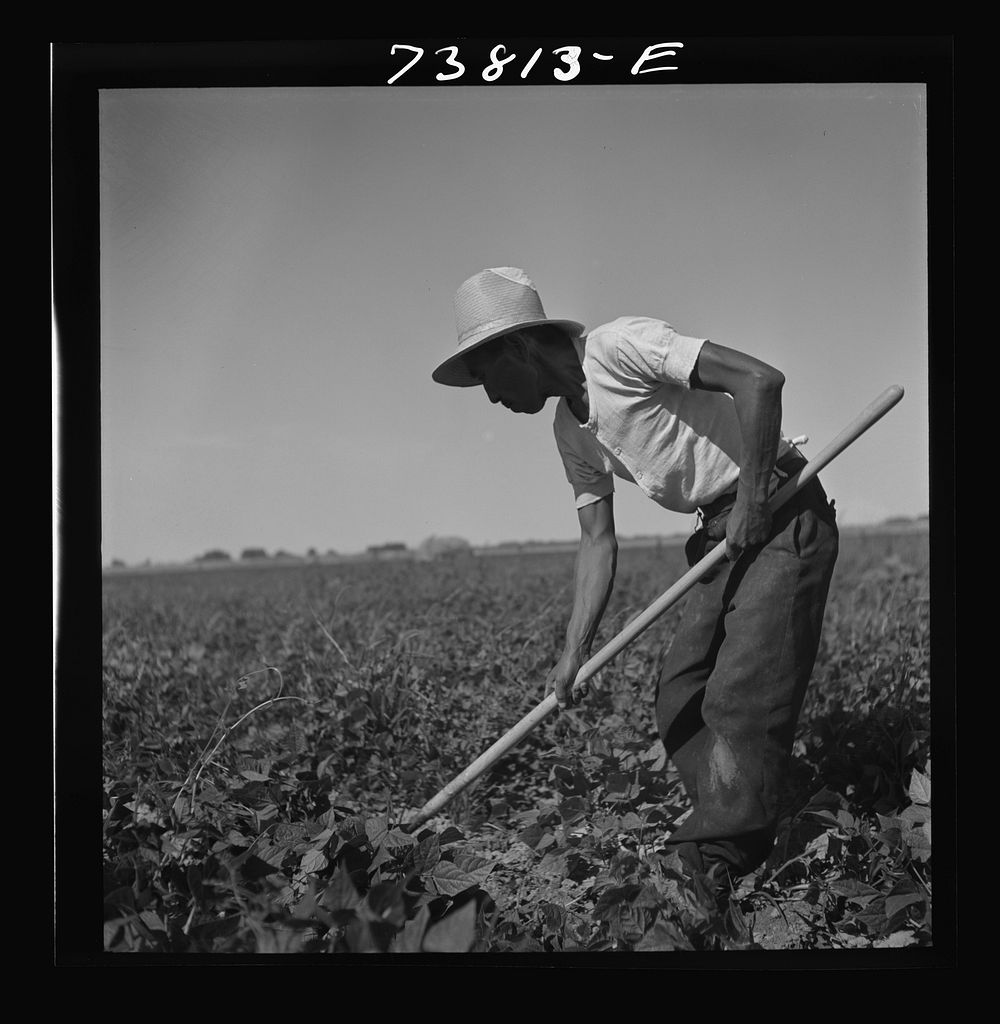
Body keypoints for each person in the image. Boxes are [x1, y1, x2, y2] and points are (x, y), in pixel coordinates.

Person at [432, 267, 839, 881]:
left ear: (517, 347)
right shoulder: (570, 431)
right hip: (719, 535)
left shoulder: (619, 349)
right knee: (681, 696)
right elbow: (597, 540)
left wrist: (754, 500)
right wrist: (573, 651)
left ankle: (713, 864)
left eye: (485, 375)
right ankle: (741, 810)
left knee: (738, 698)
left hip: (780, 510)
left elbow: (759, 381)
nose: (489, 396)